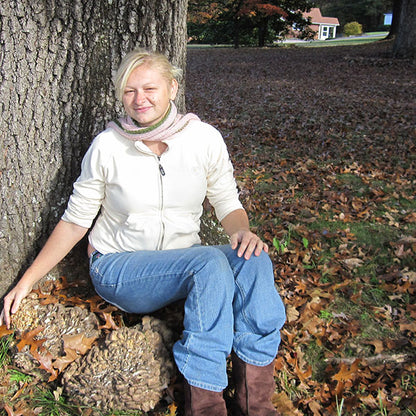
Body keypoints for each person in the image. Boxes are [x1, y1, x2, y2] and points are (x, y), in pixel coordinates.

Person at [0, 49, 286, 416]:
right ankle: (204, 407)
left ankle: (256, 403)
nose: (140, 100)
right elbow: (75, 222)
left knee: (254, 259)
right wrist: (27, 281)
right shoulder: (108, 147)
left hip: (183, 264)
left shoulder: (204, 139)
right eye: (129, 91)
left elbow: (227, 201)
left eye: (149, 88)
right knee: (210, 264)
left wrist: (241, 233)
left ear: (172, 88)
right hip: (120, 268)